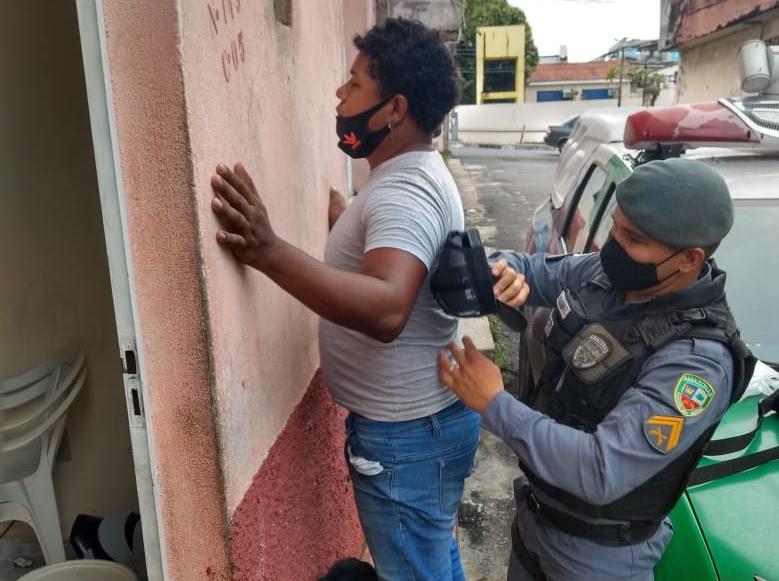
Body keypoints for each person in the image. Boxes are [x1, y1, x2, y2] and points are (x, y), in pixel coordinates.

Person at [210, 18, 525, 581]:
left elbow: (386, 309)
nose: (340, 94)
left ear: (394, 108)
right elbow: (397, 265)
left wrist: (268, 250)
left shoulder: (405, 190)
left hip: (407, 439)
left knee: (416, 570)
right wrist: (348, 229)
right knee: (433, 560)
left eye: (354, 84)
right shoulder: (408, 176)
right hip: (424, 429)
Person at [437, 158, 755, 580]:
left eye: (633, 238)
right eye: (615, 227)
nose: (612, 246)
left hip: (598, 557)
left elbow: (600, 470)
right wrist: (497, 272)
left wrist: (494, 403)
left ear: (688, 258)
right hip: (536, 518)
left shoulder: (697, 362)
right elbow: (533, 270)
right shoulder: (608, 276)